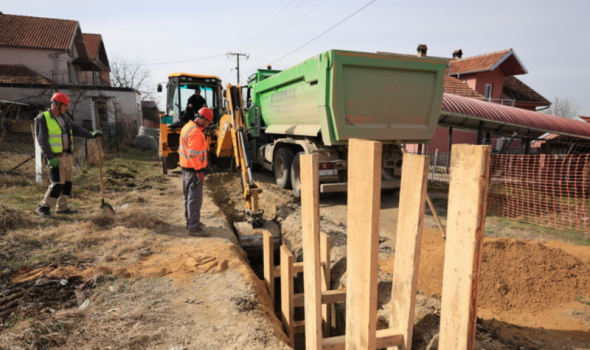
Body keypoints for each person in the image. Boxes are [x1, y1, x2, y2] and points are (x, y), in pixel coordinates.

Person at [34, 92, 102, 218]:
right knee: (57, 183)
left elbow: (77, 129)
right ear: (56, 104)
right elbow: (42, 140)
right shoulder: (42, 118)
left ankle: (62, 207)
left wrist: (91, 135)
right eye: (65, 105)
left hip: (67, 155)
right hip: (55, 157)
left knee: (67, 183)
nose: (67, 108)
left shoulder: (65, 118)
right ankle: (43, 207)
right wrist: (50, 157)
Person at [179, 107, 213, 236]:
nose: (208, 125)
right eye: (208, 122)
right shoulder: (195, 132)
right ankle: (194, 227)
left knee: (189, 197)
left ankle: (190, 222)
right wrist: (199, 171)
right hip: (193, 170)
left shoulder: (187, 126)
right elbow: (193, 154)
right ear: (203, 120)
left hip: (186, 168)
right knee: (195, 199)